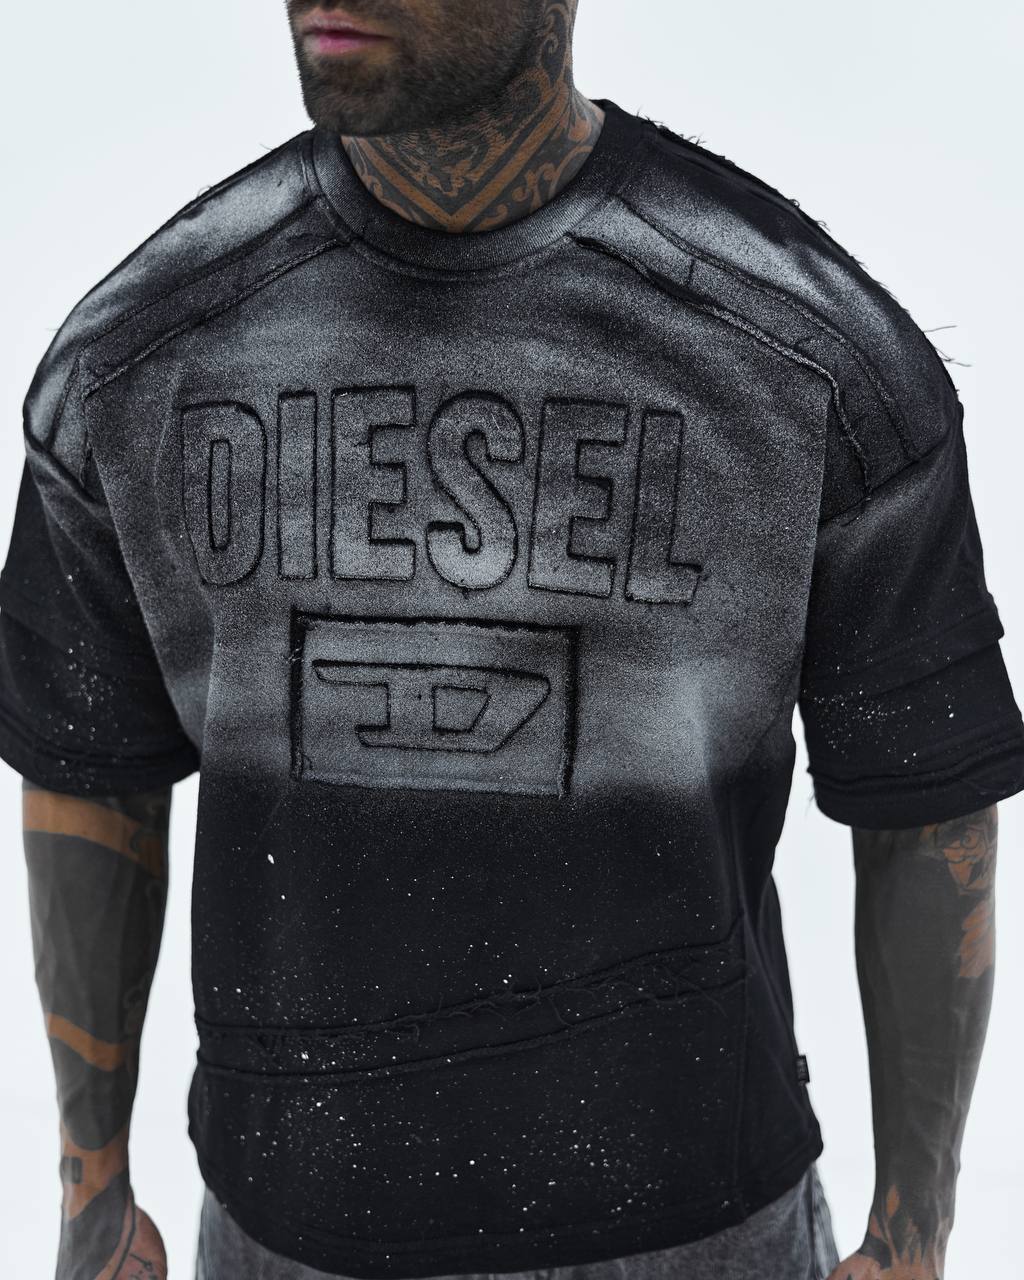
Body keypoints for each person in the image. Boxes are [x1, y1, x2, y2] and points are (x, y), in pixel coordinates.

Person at [2, 1, 1022, 1278]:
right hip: (286, 1231)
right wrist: (92, 1187)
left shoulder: (810, 354)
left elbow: (926, 803)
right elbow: (89, 770)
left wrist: (914, 1233)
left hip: (700, 1229)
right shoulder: (134, 359)